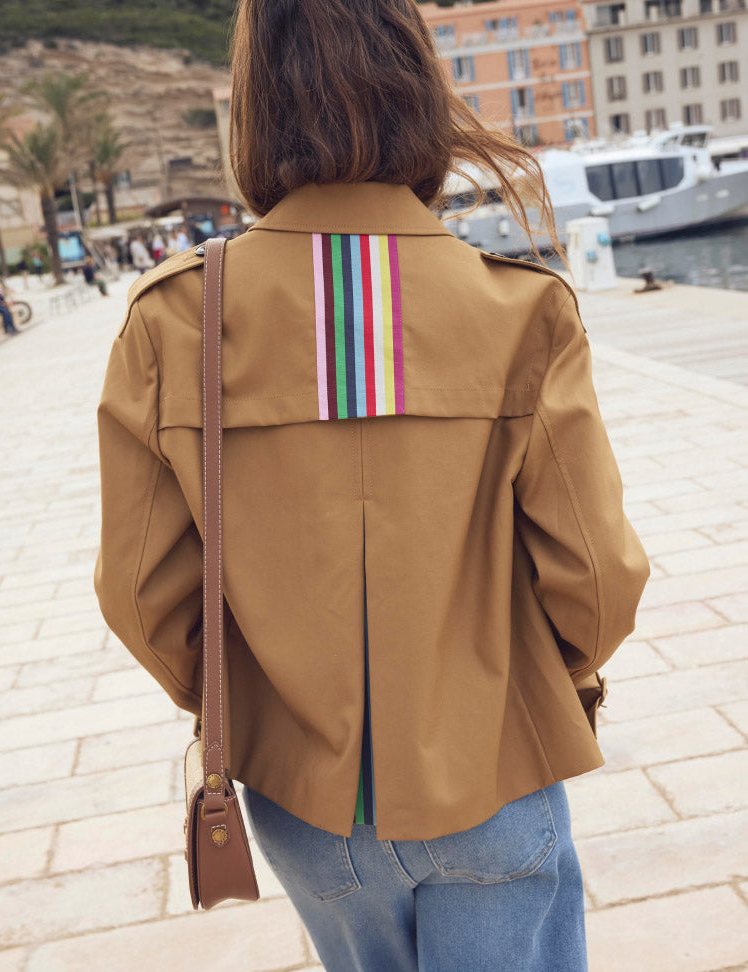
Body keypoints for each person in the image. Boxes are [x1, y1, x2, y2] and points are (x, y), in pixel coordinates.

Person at [94, 1, 650, 969]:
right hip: (491, 774)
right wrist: (531, 686)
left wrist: (256, 704)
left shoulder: (173, 318)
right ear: (416, 88)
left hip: (304, 811)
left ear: (256, 105)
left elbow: (140, 592)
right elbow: (600, 578)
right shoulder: (518, 306)